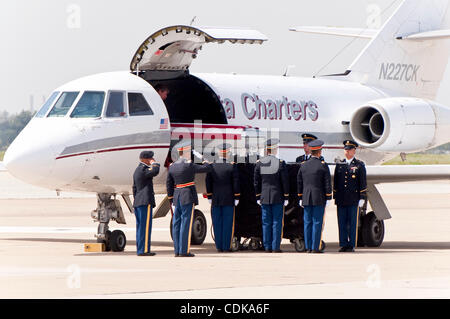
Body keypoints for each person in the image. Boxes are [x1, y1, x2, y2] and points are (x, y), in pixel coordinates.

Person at [166, 140, 211, 257]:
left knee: (176, 223)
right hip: (187, 196)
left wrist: (171, 198)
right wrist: (203, 158)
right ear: (186, 153)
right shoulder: (189, 165)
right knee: (186, 223)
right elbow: (207, 167)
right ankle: (184, 251)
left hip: (177, 196)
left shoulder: (172, 167)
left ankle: (177, 250)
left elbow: (169, 184)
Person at [254, 138, 289, 253]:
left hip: (264, 197)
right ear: (274, 150)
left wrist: (258, 196)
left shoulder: (259, 163)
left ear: (266, 150)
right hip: (277, 196)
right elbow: (285, 181)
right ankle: (275, 247)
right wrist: (286, 196)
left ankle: (267, 246)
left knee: (266, 222)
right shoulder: (280, 163)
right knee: (277, 222)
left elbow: (256, 182)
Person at [297, 139, 332, 253]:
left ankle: (308, 247)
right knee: (317, 222)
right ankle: (315, 247)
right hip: (318, 198)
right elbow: (327, 183)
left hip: (306, 197)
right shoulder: (322, 166)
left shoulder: (303, 165)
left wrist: (300, 197)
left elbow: (299, 182)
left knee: (307, 223)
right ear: (319, 152)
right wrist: (328, 197)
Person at [333, 140, 367, 252]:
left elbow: (362, 182)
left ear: (354, 151)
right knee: (341, 222)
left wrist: (362, 197)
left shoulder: (359, 165)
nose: (347, 151)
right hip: (341, 199)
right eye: (345, 149)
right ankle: (343, 243)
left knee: (352, 223)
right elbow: (336, 182)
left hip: (353, 199)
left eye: (349, 149)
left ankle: (351, 244)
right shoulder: (340, 165)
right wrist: (335, 196)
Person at [206, 143, 240, 252]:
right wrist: (237, 197)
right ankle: (226, 247)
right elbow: (236, 183)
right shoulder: (231, 165)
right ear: (228, 152)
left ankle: (218, 246)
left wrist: (210, 196)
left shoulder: (212, 166)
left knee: (217, 223)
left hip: (216, 198)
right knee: (227, 223)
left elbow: (208, 182)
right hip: (229, 198)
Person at [132, 150, 160, 256]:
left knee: (140, 227)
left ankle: (141, 249)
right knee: (146, 227)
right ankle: (144, 250)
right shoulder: (144, 169)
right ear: (145, 159)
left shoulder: (137, 170)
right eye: (150, 158)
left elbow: (134, 188)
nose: (152, 160)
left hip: (138, 202)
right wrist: (155, 164)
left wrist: (137, 199)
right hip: (145, 202)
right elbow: (155, 171)